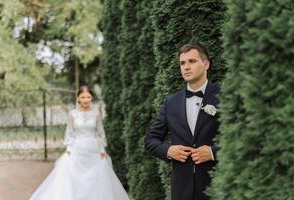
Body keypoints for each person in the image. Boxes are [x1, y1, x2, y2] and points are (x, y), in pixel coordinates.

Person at [145, 43, 219, 200]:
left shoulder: (224, 96)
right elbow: (151, 140)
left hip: (216, 185)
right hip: (181, 189)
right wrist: (168, 151)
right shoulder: (170, 102)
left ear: (206, 64)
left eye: (192, 61)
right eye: (182, 63)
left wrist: (213, 152)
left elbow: (242, 139)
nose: (186, 67)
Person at [30, 85, 129, 200]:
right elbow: (69, 133)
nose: (86, 100)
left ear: (91, 98)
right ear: (78, 98)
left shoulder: (96, 113)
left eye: (88, 97)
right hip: (77, 150)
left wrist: (102, 150)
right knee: (72, 174)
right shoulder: (72, 114)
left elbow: (100, 133)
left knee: (97, 177)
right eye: (83, 97)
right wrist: (68, 149)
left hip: (94, 151)